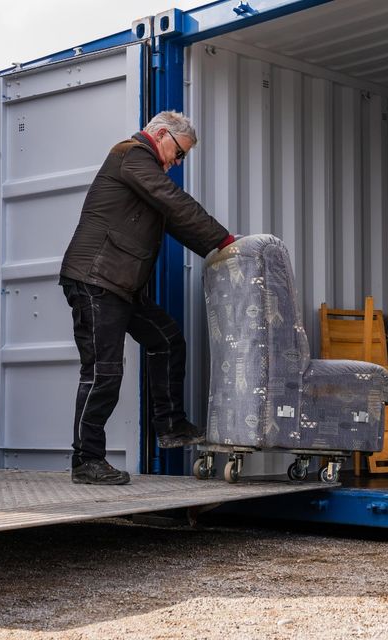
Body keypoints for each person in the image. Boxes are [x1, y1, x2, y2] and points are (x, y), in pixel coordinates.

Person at [60, 111, 235, 485]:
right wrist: (224, 240)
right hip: (96, 280)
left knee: (167, 339)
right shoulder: (131, 154)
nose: (177, 162)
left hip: (120, 284)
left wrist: (216, 250)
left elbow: (175, 219)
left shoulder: (144, 169)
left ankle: (171, 425)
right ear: (160, 133)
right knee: (103, 372)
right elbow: (171, 201)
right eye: (178, 153)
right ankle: (86, 460)